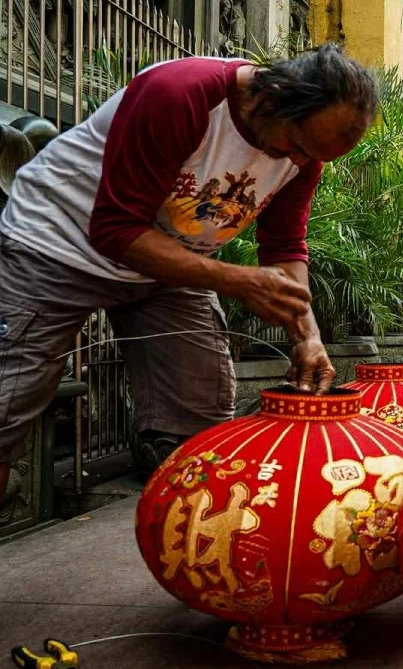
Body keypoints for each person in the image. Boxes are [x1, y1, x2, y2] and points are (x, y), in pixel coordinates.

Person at [0, 45, 378, 496]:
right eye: (296, 147)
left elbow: (284, 247)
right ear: (272, 99)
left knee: (202, 418)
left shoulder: (303, 156)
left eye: (313, 157)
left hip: (168, 266)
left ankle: (191, 546)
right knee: (7, 406)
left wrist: (308, 337)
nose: (297, 162)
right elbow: (115, 230)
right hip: (56, 243)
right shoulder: (181, 95)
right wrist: (239, 281)